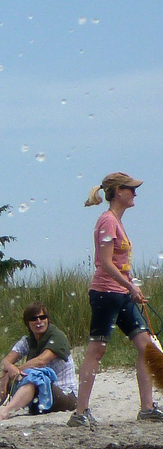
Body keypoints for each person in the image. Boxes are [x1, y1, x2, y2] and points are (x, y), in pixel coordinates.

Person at [68, 171, 162, 427]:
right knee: (96, 350)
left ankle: (147, 408)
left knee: (147, 347)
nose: (135, 194)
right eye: (131, 189)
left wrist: (129, 288)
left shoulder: (116, 222)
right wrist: (130, 286)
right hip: (106, 293)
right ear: (118, 191)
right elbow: (105, 264)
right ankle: (80, 412)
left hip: (121, 294)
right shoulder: (107, 221)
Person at [0, 302, 77, 423]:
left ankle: (3, 414)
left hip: (65, 395)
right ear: (28, 323)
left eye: (42, 317)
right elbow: (5, 361)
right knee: (6, 372)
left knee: (34, 377)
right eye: (34, 318)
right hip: (40, 398)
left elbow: (41, 361)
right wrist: (10, 370)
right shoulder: (27, 340)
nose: (39, 321)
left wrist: (17, 370)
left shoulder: (57, 337)